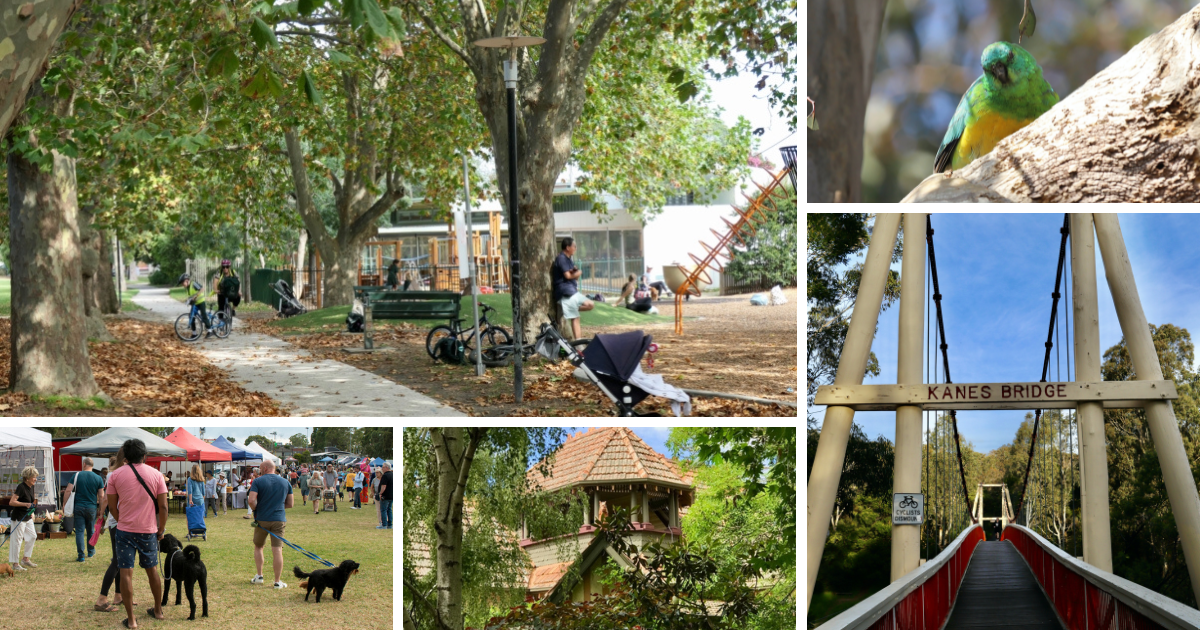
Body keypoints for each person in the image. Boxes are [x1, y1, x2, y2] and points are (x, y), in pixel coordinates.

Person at [106, 438, 168, 629]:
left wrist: (122, 518)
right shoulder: (157, 475)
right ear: (144, 455)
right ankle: (158, 610)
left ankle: (132, 620)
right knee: (153, 571)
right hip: (148, 530)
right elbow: (163, 506)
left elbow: (111, 506)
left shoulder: (115, 475)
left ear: (125, 455)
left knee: (126, 573)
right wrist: (161, 529)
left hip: (124, 530)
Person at [248, 460, 294, 589]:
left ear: (265, 468)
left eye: (260, 468)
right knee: (277, 549)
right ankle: (277, 581)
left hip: (262, 519)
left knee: (258, 546)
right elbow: (290, 504)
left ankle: (259, 576)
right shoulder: (285, 482)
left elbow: (251, 500)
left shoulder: (258, 481)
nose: (259, 471)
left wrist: (257, 509)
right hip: (279, 519)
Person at [96, 451, 130, 614]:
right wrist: (102, 517)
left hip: (116, 522)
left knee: (120, 560)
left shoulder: (113, 475)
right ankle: (102, 599)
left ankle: (118, 595)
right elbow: (106, 500)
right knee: (117, 561)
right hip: (117, 523)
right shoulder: (114, 476)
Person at [63, 457, 106, 562]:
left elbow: (68, 490)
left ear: (84, 464)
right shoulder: (98, 478)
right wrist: (101, 510)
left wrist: (64, 504)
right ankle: (90, 551)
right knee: (91, 530)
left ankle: (81, 555)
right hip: (92, 507)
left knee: (79, 531)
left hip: (79, 507)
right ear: (92, 465)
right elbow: (101, 496)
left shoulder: (76, 475)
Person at [552, 237, 594, 340]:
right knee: (575, 318)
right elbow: (567, 276)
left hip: (572, 290)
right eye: (574, 246)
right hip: (565, 291)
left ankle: (569, 308)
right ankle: (578, 345)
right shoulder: (561, 258)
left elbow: (574, 276)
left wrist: (576, 272)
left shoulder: (569, 259)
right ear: (567, 247)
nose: (576, 248)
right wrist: (578, 272)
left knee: (590, 304)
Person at [8, 466, 40, 570]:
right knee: (17, 540)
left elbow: (31, 501)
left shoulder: (31, 486)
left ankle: (25, 559)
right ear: (27, 478)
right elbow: (12, 502)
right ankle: (15, 564)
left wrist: (32, 510)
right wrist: (25, 504)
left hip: (27, 516)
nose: (35, 479)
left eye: (36, 477)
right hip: (19, 517)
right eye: (34, 477)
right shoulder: (21, 487)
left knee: (32, 536)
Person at [178, 273, 214, 337]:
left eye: (182, 283)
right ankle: (194, 333)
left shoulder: (193, 284)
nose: (182, 285)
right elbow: (190, 296)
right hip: (195, 304)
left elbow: (202, 289)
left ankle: (210, 330)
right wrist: (188, 300)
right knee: (191, 316)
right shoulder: (187, 288)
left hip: (201, 302)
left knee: (204, 315)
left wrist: (196, 296)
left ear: (186, 281)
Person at [376, 464, 392, 530]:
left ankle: (384, 525)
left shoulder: (385, 475)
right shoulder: (392, 474)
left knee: (383, 510)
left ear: (387, 467)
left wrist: (380, 493)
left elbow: (383, 486)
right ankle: (390, 524)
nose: (382, 469)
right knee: (389, 510)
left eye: (383, 467)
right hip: (391, 495)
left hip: (385, 496)